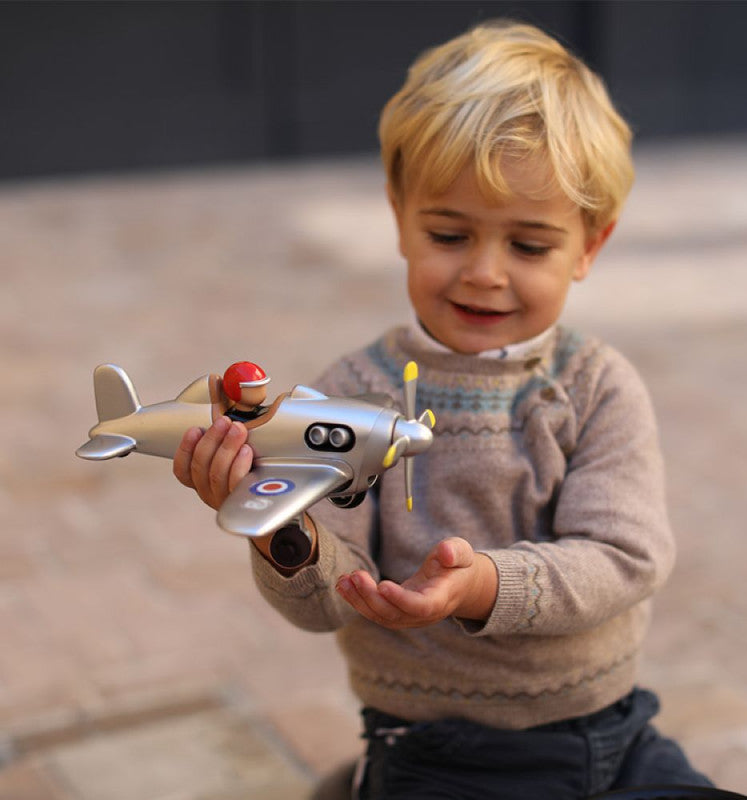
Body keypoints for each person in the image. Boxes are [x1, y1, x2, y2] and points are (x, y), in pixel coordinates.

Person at [173, 20, 714, 799]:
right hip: (435, 749)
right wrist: (276, 526)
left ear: (590, 245)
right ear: (400, 216)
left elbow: (624, 557)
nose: (485, 274)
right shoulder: (352, 392)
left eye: (529, 246)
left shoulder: (596, 386)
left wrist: (481, 587)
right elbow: (328, 599)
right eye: (450, 234)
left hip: (611, 728)